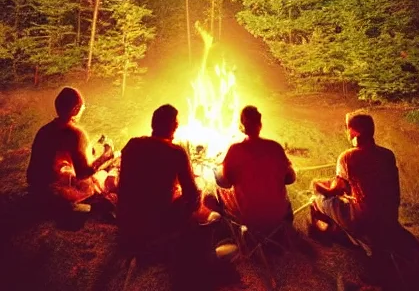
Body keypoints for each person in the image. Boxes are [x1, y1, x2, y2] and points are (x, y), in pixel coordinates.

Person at [117, 104, 201, 248]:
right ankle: (173, 237)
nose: (177, 126)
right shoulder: (176, 152)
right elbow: (191, 193)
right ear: (173, 126)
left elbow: (124, 181)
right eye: (176, 123)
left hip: (126, 219)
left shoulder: (132, 144)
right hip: (157, 224)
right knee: (197, 195)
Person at [311, 111, 400, 243]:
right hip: (390, 219)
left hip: (364, 222)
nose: (346, 130)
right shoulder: (388, 154)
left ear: (354, 131)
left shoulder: (347, 157)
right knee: (350, 198)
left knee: (319, 198)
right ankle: (340, 228)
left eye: (347, 126)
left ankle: (324, 233)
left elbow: (334, 191)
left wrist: (315, 183)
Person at [27, 86, 114, 212]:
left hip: (35, 188)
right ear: (76, 109)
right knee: (99, 179)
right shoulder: (75, 133)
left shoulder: (45, 130)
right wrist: (106, 155)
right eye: (82, 107)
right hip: (54, 193)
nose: (83, 110)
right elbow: (83, 173)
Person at [212, 105, 296, 234]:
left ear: (242, 126)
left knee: (217, 192)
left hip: (251, 217)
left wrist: (217, 169)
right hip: (279, 215)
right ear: (260, 124)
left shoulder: (235, 150)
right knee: (283, 194)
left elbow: (226, 183)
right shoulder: (275, 147)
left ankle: (229, 231)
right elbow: (290, 178)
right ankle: (282, 228)